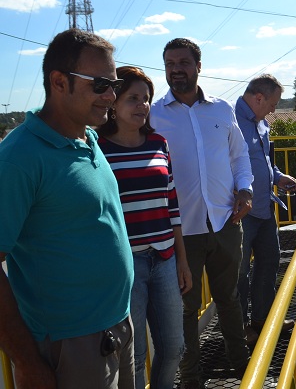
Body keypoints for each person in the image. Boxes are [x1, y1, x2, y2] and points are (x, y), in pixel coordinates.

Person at [0, 28, 134, 389]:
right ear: (59, 82)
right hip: (70, 345)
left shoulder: (87, 136)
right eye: (100, 84)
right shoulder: (20, 157)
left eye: (115, 85)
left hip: (117, 326)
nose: (111, 95)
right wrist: (27, 363)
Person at [150, 38, 253, 389]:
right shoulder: (152, 115)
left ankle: (243, 366)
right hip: (181, 230)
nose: (176, 69)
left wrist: (246, 188)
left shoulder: (222, 110)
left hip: (225, 221)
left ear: (198, 66)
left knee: (229, 298)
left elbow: (240, 157)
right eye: (169, 64)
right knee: (185, 311)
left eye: (182, 62)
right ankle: (191, 379)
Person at [97, 66, 191, 389]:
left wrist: (182, 260)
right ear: (113, 104)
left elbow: (172, 203)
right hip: (126, 266)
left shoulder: (158, 143)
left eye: (146, 99)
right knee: (133, 355)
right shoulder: (98, 149)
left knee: (174, 347)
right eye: (133, 98)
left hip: (164, 258)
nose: (142, 105)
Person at [235, 75, 296, 344]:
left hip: (264, 209)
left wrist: (278, 177)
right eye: (273, 103)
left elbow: (264, 161)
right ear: (259, 97)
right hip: (240, 214)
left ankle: (263, 319)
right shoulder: (230, 121)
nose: (274, 109)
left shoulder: (262, 124)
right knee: (239, 273)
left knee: (269, 263)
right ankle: (239, 329)